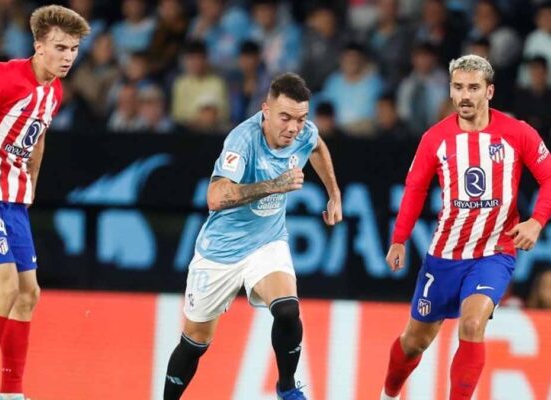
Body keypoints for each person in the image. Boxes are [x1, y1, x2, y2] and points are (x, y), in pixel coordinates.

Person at [380, 54, 551, 400]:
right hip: (444, 255)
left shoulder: (517, 133)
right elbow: (415, 188)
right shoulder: (436, 138)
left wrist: (536, 221)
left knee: (472, 325)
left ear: (489, 91)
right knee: (414, 342)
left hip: (493, 252)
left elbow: (549, 177)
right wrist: (399, 239)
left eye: (473, 88)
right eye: (458, 87)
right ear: (450, 90)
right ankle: (388, 394)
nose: (465, 95)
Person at [163, 72, 342, 400]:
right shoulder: (242, 141)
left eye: (300, 118)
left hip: (267, 242)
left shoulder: (303, 131)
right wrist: (274, 185)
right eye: (285, 117)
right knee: (195, 343)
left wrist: (334, 193)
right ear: (266, 110)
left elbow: (316, 145)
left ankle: (287, 388)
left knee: (287, 310)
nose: (293, 128)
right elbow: (215, 197)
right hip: (221, 251)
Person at [0, 5, 90, 400]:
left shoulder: (55, 91)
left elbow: (37, 138)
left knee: (29, 294)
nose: (67, 57)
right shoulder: (4, 76)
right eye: (60, 48)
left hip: (12, 199)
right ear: (38, 46)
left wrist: (30, 188)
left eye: (73, 49)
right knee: (6, 288)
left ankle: (11, 392)